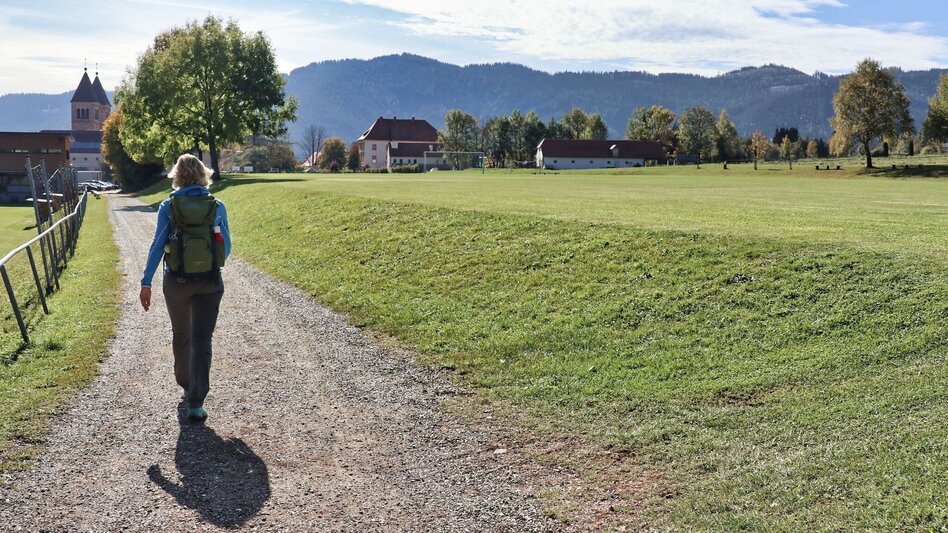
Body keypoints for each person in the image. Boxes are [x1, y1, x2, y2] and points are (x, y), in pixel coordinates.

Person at [139, 154, 231, 421]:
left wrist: (146, 282)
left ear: (177, 176)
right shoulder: (217, 205)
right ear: (203, 174)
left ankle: (185, 383)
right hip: (209, 281)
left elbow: (158, 245)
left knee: (182, 335)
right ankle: (196, 402)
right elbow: (226, 247)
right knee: (203, 339)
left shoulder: (169, 206)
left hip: (176, 281)